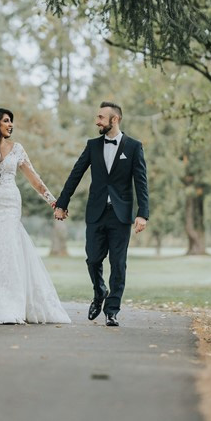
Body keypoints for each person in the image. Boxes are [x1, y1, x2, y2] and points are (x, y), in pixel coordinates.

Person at [0, 107, 71, 325]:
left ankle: (11, 306)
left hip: (10, 204)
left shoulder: (17, 149)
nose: (11, 124)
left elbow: (35, 180)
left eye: (11, 121)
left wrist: (53, 202)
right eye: (6, 120)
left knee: (9, 249)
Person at [54, 102, 149, 327]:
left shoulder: (134, 147)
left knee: (118, 263)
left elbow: (141, 182)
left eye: (101, 117)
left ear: (114, 119)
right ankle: (100, 291)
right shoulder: (92, 145)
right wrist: (62, 203)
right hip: (96, 213)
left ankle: (112, 310)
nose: (97, 121)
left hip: (121, 215)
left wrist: (142, 213)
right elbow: (75, 174)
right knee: (93, 259)